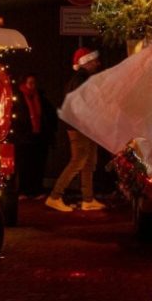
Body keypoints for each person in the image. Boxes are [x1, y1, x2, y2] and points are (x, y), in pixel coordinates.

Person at [46, 49, 106, 213]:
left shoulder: (81, 79)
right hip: (80, 126)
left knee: (88, 162)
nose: (97, 64)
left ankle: (88, 199)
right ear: (85, 62)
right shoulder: (81, 80)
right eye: (94, 61)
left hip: (84, 126)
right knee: (79, 160)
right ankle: (55, 196)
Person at [11, 73, 58, 199]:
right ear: (24, 84)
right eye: (30, 83)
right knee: (24, 166)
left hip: (39, 137)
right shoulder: (17, 98)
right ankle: (23, 191)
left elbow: (49, 114)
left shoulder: (40, 97)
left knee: (38, 165)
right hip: (24, 138)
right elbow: (16, 117)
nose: (33, 86)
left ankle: (36, 190)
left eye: (34, 83)